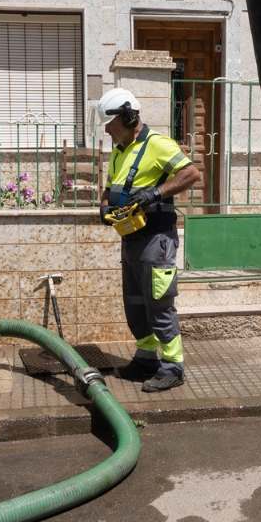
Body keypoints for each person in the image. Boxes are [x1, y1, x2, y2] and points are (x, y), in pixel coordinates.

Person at [98, 88, 201, 392]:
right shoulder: (119, 151)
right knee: (135, 304)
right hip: (130, 240)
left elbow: (191, 173)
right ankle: (146, 359)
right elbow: (109, 188)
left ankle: (172, 367)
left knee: (158, 305)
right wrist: (104, 207)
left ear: (128, 117)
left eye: (110, 123)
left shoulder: (158, 145)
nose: (106, 130)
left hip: (156, 240)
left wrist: (155, 193)